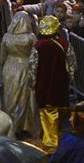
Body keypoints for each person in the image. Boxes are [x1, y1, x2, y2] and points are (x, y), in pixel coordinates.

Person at [30, 15, 75, 151]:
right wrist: (69, 79)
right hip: (61, 86)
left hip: (43, 87)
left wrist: (32, 84)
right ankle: (57, 140)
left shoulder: (38, 46)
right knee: (60, 116)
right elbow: (72, 65)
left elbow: (32, 68)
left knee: (47, 116)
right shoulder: (65, 44)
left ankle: (51, 146)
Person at [0, 11, 40, 139]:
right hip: (25, 66)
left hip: (10, 67)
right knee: (25, 98)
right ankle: (24, 125)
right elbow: (35, 56)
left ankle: (11, 125)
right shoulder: (31, 37)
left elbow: (2, 56)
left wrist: (2, 69)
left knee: (10, 97)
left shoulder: (7, 37)